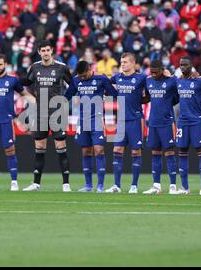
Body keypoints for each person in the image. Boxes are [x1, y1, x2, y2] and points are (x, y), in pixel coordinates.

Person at [20, 40, 73, 192]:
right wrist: (11, 80)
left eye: (48, 50)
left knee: (60, 147)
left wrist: (64, 99)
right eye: (43, 50)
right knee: (40, 147)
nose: (45, 53)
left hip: (56, 113)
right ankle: (36, 184)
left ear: (52, 51)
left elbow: (73, 84)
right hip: (40, 113)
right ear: (39, 52)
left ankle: (66, 184)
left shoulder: (61, 68)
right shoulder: (35, 67)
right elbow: (26, 81)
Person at [0, 54, 35, 191]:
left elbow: (24, 94)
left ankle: (14, 182)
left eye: (0, 64)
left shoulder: (12, 80)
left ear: (5, 65)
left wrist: (37, 103)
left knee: (10, 151)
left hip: (6, 121)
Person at [64, 60, 117, 193]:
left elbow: (114, 94)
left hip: (97, 119)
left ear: (89, 70)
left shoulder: (101, 79)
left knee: (99, 150)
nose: (82, 78)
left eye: (84, 75)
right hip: (82, 120)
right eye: (80, 76)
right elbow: (67, 96)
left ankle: (100, 185)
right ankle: (88, 185)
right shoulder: (76, 81)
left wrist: (105, 97)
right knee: (86, 151)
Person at [106, 53, 147, 194]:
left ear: (133, 63)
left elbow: (150, 91)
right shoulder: (117, 77)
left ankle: (134, 186)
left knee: (136, 151)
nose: (122, 64)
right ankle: (116, 185)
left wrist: (142, 101)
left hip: (135, 119)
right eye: (121, 62)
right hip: (121, 120)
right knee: (117, 150)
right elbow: (104, 83)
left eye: (125, 62)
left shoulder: (141, 78)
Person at [176, 56, 201, 195]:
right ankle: (185, 187)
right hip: (182, 122)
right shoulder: (177, 81)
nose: (182, 67)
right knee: (182, 152)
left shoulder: (200, 81)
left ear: (191, 65)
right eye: (180, 65)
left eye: (185, 64)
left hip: (197, 121)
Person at [143, 60, 179, 195]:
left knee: (169, 153)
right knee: (155, 154)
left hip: (167, 123)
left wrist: (171, 76)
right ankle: (156, 186)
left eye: (155, 72)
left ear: (162, 70)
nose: (153, 74)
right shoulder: (148, 81)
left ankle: (173, 186)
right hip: (153, 122)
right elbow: (146, 96)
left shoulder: (171, 81)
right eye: (151, 72)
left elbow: (178, 95)